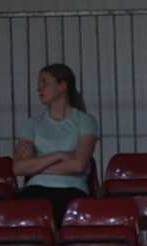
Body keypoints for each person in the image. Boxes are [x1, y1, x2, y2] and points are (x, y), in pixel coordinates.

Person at [13, 64, 98, 227]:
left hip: (71, 190)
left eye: (44, 82)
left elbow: (78, 165)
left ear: (62, 86)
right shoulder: (33, 123)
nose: (39, 88)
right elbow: (18, 168)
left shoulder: (85, 121)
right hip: (36, 189)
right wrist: (58, 155)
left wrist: (35, 164)